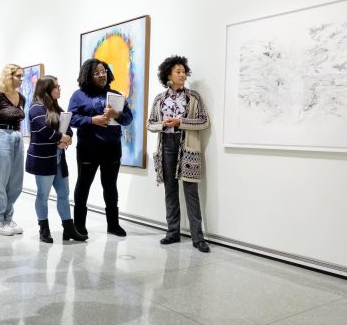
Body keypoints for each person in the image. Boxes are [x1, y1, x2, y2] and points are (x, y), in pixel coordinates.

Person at [147, 55, 211, 253]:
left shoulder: (194, 97)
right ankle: (172, 232)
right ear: (169, 74)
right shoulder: (160, 98)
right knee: (170, 190)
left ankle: (198, 238)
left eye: (184, 71)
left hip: (187, 146)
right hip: (166, 144)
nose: (182, 74)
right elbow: (150, 124)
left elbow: (204, 121)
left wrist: (180, 123)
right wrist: (163, 125)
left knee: (191, 191)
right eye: (178, 71)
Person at [68, 58, 133, 237]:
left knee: (110, 187)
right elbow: (71, 119)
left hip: (112, 148)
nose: (101, 75)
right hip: (88, 149)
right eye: (96, 73)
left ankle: (113, 225)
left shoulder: (116, 95)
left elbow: (128, 119)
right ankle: (79, 225)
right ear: (88, 75)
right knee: (83, 185)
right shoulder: (78, 95)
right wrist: (92, 120)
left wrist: (116, 114)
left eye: (103, 71)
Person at [25, 75, 87, 243]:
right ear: (47, 89)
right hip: (43, 159)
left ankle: (69, 229)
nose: (60, 89)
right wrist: (63, 138)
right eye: (56, 87)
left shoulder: (55, 107)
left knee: (64, 194)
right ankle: (44, 229)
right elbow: (46, 131)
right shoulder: (36, 108)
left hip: (58, 158)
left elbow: (69, 128)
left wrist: (67, 138)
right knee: (43, 195)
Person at [0, 64, 26, 236]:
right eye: (18, 76)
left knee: (16, 182)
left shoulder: (21, 97)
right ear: (8, 77)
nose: (21, 79)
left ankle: (8, 217)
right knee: (0, 181)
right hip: (0, 135)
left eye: (22, 76)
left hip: (17, 136)